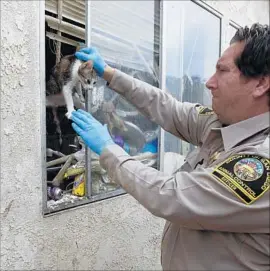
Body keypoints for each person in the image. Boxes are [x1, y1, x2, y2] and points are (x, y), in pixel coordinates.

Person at [71, 23, 270, 270]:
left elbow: (173, 197)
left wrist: (108, 150)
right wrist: (110, 74)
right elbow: (169, 109)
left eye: (222, 71)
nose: (209, 82)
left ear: (260, 84)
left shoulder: (260, 164)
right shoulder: (224, 124)